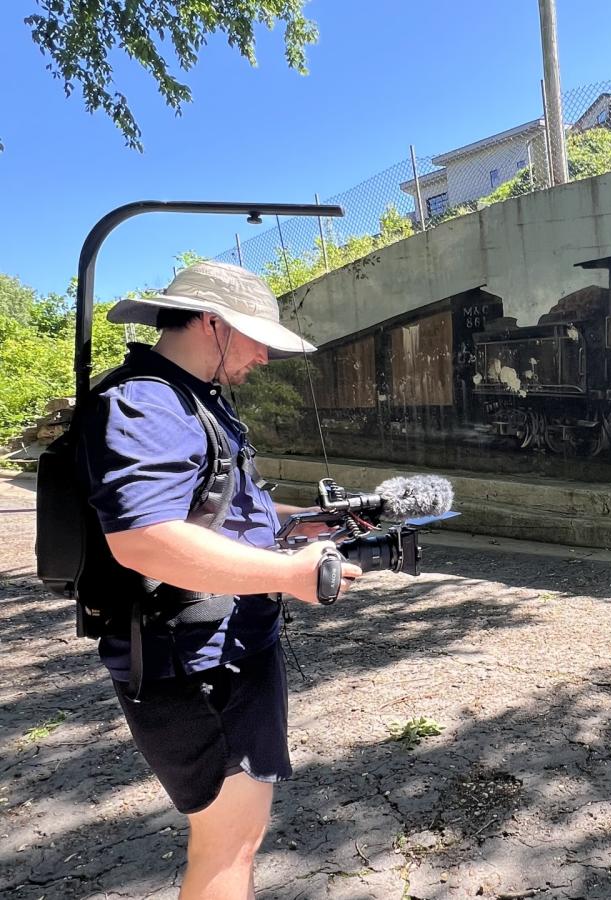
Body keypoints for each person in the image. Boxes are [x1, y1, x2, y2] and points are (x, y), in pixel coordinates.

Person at [78, 260, 362, 898]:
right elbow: (144, 539)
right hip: (194, 665)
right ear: (213, 323)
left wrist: (311, 522)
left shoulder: (191, 399)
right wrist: (292, 574)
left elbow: (224, 507)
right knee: (227, 848)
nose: (264, 356)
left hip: (223, 651)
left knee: (239, 837)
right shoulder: (147, 401)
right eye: (258, 337)